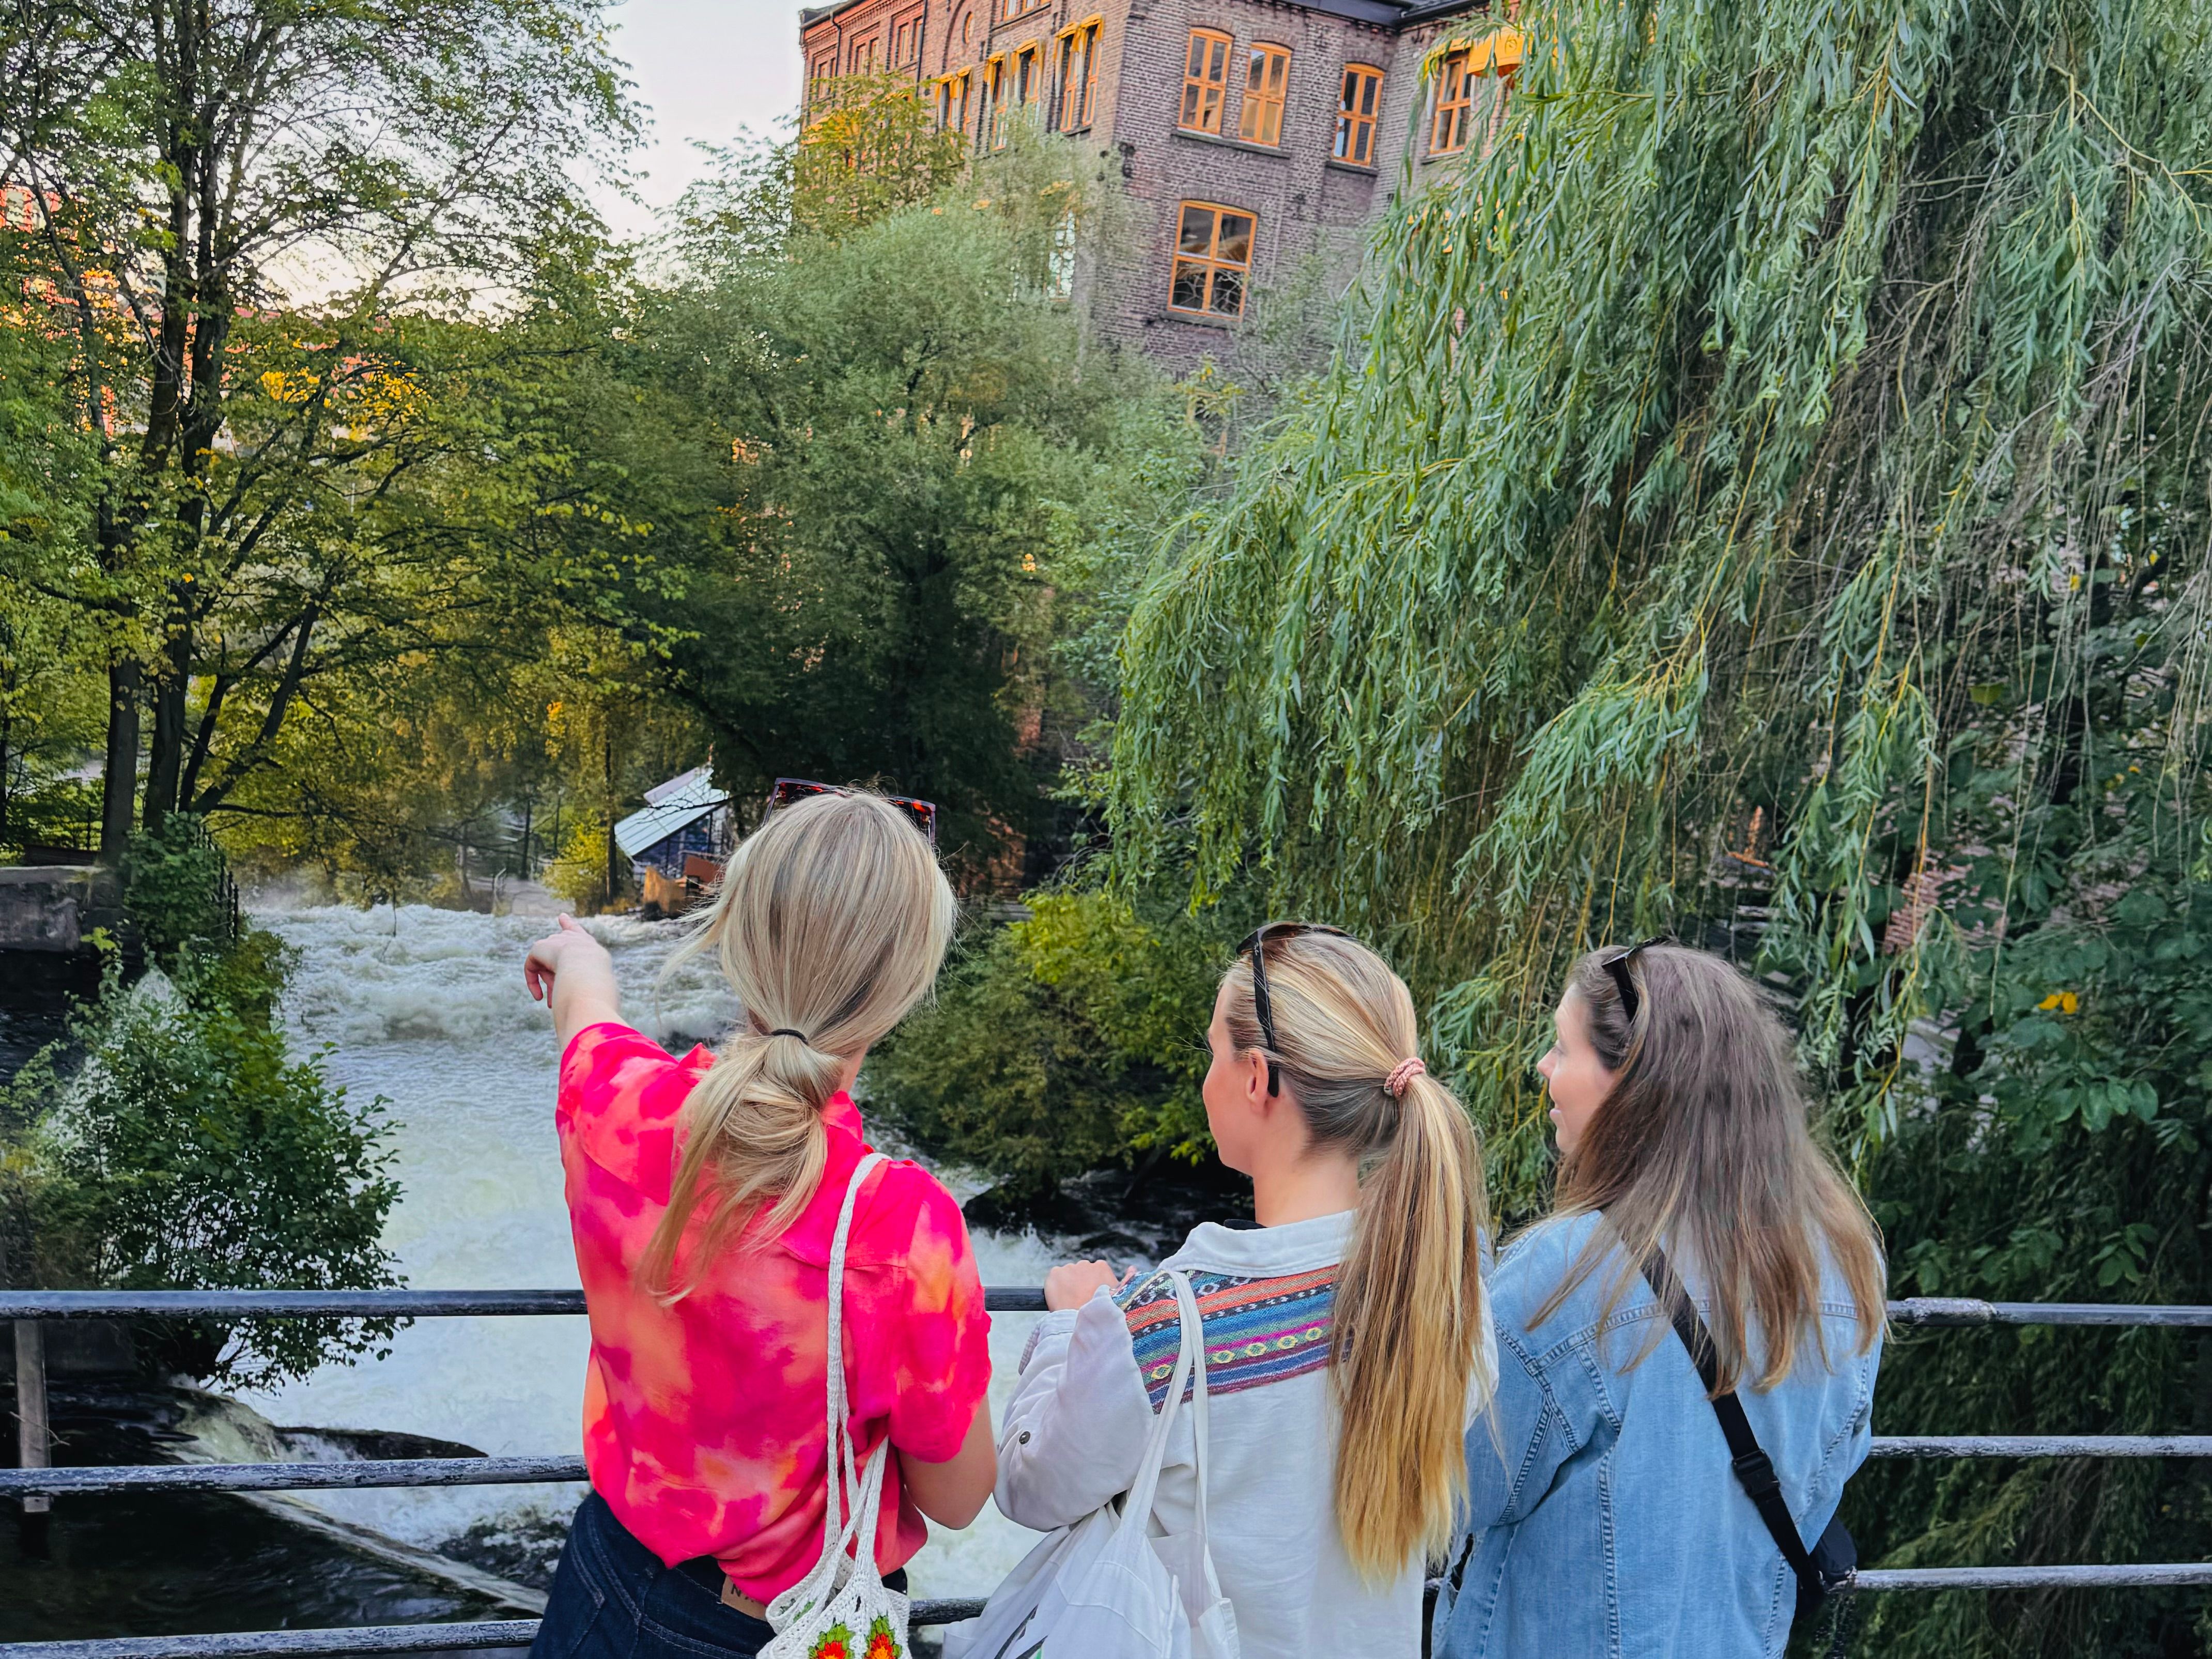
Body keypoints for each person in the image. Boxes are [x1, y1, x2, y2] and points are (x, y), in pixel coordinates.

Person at [521, 788, 996, 1659]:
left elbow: (586, 1019)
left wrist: (578, 956)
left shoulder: (616, 1103)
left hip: (601, 1584)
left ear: (734, 942)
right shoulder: (901, 1227)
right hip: (777, 1629)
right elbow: (957, 1499)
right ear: (902, 988)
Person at [994, 924, 1494, 1658]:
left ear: (1257, 1077)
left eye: (1212, 1053)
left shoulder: (1170, 1324)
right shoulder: (1443, 1288)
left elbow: (1029, 1486)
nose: (1207, 1079)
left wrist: (1074, 1327)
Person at [1431, 942, 1886, 1658]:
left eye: (1562, 1048)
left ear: (1633, 1086)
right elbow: (1827, 1475)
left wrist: (1456, 1287)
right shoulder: (1842, 1264)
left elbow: (1454, 1491)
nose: (1544, 1067)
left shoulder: (1568, 1273)